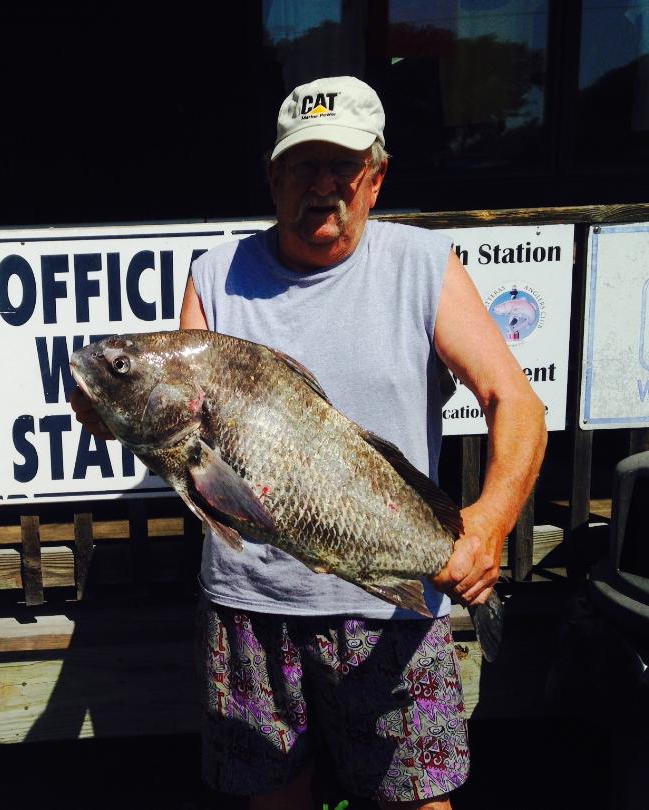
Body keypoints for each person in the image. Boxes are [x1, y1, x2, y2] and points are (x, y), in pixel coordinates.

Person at [70, 75, 546, 809]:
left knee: (418, 800)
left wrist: (486, 524)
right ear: (273, 175)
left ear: (376, 176)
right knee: (273, 800)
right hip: (252, 605)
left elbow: (514, 401)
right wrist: (112, 406)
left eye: (342, 166)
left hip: (393, 608)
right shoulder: (216, 273)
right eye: (302, 165)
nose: (321, 185)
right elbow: (185, 436)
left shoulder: (422, 266)